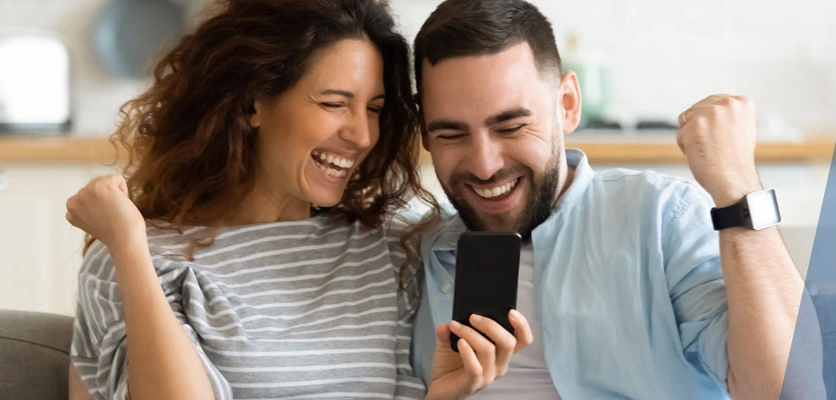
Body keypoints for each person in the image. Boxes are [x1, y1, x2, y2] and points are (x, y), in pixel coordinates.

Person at [63, 1, 530, 399]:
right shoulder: (135, 258)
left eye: (374, 109)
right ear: (252, 103)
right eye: (333, 104)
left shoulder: (392, 246)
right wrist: (128, 245)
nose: (363, 135)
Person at [408, 0, 825, 398]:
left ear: (567, 105)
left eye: (512, 127)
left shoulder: (661, 219)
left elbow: (790, 391)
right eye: (450, 134)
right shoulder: (412, 252)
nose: (484, 165)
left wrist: (739, 190)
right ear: (424, 131)